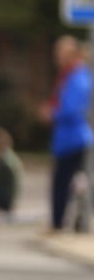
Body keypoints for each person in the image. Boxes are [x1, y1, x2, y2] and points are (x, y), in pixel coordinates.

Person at [41, 35, 92, 234]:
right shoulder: (69, 74)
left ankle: (61, 224)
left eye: (59, 52)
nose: (56, 57)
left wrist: (51, 113)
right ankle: (63, 222)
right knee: (71, 184)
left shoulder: (78, 75)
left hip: (74, 139)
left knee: (66, 184)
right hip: (66, 139)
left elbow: (73, 108)